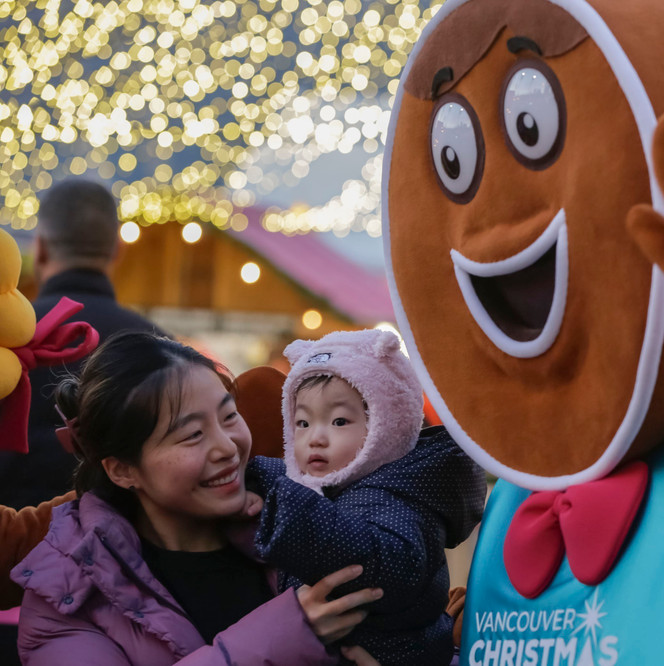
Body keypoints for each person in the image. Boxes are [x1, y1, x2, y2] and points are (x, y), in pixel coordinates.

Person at [12, 332, 381, 665]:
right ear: (123, 470)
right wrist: (286, 635)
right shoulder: (69, 598)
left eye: (229, 416)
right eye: (192, 435)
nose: (227, 447)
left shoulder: (303, 523)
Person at [249, 329, 487, 666]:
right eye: (302, 422)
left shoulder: (396, 498)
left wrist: (286, 500)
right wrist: (262, 477)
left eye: (339, 421)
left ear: (385, 428)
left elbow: (378, 557)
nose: (316, 438)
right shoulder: (338, 489)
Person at [0, 180, 166, 510]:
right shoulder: (162, 349)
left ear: (41, 249)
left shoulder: (7, 340)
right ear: (118, 249)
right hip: (122, 552)